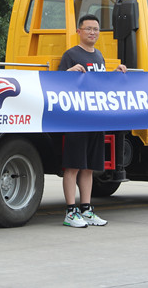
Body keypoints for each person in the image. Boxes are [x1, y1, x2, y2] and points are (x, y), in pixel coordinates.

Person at [58, 13, 127, 228]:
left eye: (95, 29)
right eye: (88, 29)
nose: (92, 32)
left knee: (89, 167)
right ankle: (71, 212)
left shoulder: (99, 57)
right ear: (79, 31)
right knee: (73, 167)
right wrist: (68, 73)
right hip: (76, 120)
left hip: (95, 120)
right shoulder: (70, 55)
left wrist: (115, 74)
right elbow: (56, 85)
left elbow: (102, 86)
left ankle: (86, 209)